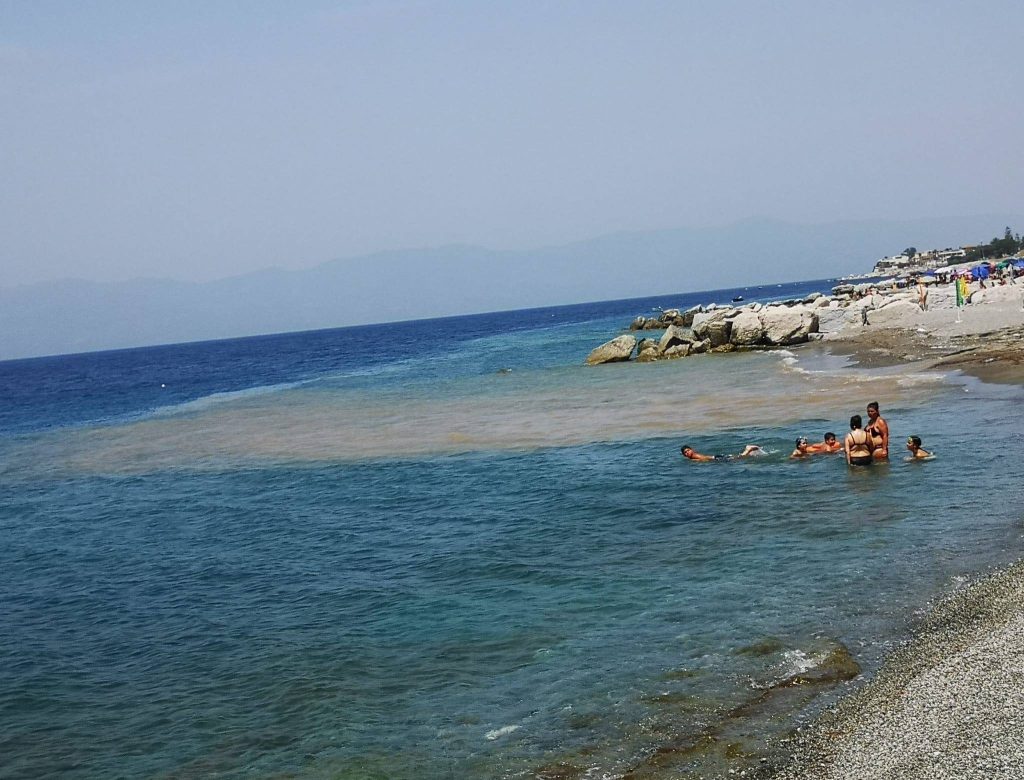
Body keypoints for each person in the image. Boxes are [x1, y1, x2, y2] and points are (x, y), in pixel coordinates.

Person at [681, 444, 763, 462]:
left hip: (716, 458)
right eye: (685, 452)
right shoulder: (693, 457)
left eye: (688, 450)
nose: (687, 452)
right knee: (738, 458)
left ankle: (748, 449)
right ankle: (748, 450)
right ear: (684, 455)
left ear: (692, 449)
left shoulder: (694, 456)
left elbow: (704, 459)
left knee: (739, 458)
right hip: (716, 458)